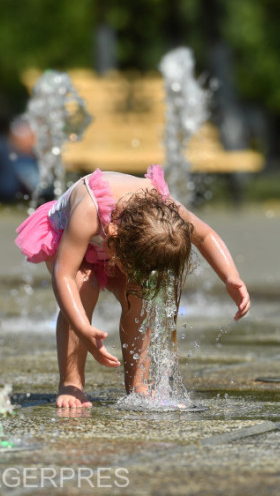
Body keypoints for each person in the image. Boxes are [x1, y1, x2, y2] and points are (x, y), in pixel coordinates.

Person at [15, 165, 250, 408]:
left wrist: (230, 276)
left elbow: (205, 235)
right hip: (67, 237)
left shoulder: (166, 210)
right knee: (82, 287)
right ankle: (71, 382)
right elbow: (62, 275)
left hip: (115, 237)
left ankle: (138, 385)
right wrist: (82, 326)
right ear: (114, 239)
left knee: (139, 296)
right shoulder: (88, 210)